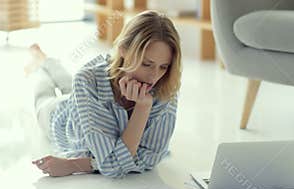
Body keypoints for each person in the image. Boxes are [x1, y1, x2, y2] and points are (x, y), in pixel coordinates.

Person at [26, 10, 182, 178]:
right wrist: (143, 110)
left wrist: (74, 165)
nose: (154, 77)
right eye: (146, 64)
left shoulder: (166, 85)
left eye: (163, 66)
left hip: (84, 99)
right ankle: (40, 62)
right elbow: (113, 165)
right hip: (62, 117)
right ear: (123, 50)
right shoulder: (87, 79)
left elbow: (149, 158)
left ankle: (46, 60)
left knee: (69, 85)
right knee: (44, 93)